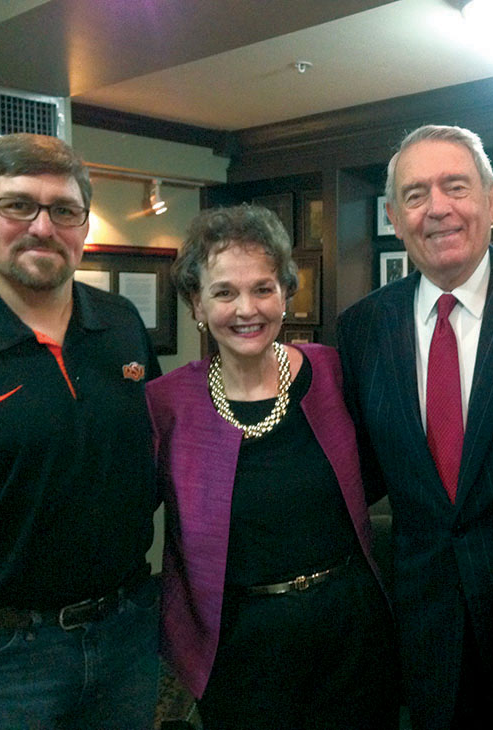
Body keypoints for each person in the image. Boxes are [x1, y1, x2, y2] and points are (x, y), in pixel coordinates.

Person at [337, 124, 493, 729]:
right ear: (396, 216)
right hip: (424, 619)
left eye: (456, 186)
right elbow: (359, 467)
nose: (439, 208)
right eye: (417, 194)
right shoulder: (363, 328)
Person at [145, 204, 398, 730]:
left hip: (352, 633)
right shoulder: (167, 404)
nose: (247, 309)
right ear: (196, 302)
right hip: (238, 647)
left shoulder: (333, 373)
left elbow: (383, 470)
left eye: (263, 288)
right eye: (224, 292)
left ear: (287, 292)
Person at [0, 133, 161, 728]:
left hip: (128, 633)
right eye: (19, 205)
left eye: (65, 210)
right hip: (0, 656)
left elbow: (154, 449)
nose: (43, 227)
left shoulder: (121, 321)